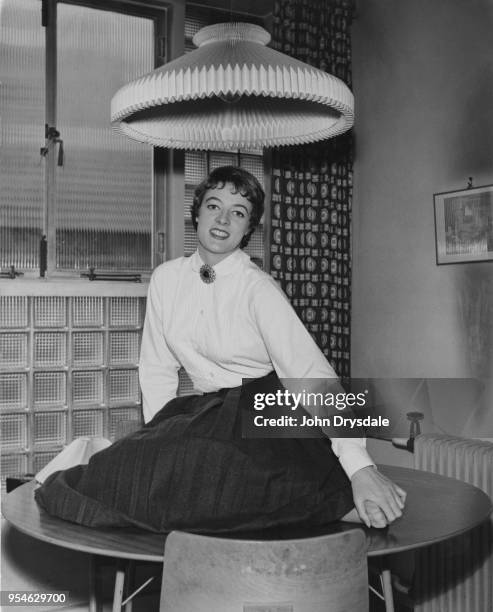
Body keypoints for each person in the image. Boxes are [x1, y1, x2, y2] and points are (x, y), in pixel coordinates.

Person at [35, 166, 405, 532]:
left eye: (238, 213)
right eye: (214, 206)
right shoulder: (167, 279)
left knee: (222, 474)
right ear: (196, 212)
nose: (223, 219)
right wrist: (157, 442)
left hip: (266, 411)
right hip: (203, 411)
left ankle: (343, 501)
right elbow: (157, 367)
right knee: (120, 478)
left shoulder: (258, 288)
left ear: (248, 229)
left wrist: (362, 467)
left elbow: (309, 374)